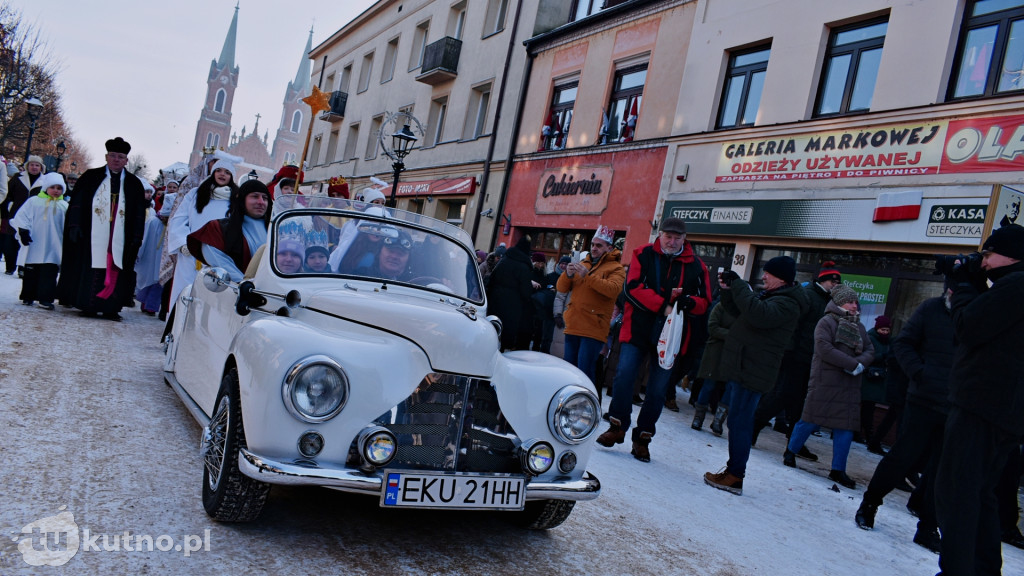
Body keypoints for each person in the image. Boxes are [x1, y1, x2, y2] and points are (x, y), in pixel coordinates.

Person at [934, 224, 1024, 575]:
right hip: (1001, 410)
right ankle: (982, 568)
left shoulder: (1016, 285)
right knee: (982, 494)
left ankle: (958, 569)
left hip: (982, 405)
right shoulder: (1010, 286)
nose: (982, 261)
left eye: (988, 254)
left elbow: (969, 327)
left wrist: (962, 285)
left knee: (957, 492)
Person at [596, 218, 712, 463]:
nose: (671, 242)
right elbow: (632, 288)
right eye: (668, 237)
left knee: (657, 390)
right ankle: (617, 425)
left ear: (684, 239)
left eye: (677, 238)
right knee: (624, 375)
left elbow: (705, 302)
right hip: (638, 329)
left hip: (670, 337)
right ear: (660, 235)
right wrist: (663, 306)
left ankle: (643, 438)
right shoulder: (642, 254)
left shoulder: (698, 266)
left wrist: (689, 303)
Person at [854, 287, 955, 553]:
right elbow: (903, 344)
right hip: (923, 400)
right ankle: (871, 502)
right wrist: (920, 374)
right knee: (902, 457)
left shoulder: (978, 312)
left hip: (958, 407)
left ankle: (928, 526)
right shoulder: (931, 309)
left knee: (943, 469)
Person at [703, 256, 808, 495]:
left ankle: (735, 475)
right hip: (746, 366)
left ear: (781, 277)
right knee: (737, 421)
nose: (763, 277)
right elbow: (742, 312)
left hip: (755, 370)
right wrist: (728, 291)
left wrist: (740, 285)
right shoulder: (776, 297)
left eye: (768, 273)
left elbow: (757, 314)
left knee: (740, 422)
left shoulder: (787, 304)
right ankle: (732, 472)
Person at [782, 284, 874, 490]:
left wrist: (861, 364)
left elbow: (869, 348)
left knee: (845, 428)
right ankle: (790, 451)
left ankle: (838, 470)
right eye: (850, 301)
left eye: (855, 302)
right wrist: (852, 364)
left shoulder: (858, 326)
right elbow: (824, 349)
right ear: (839, 302)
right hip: (825, 381)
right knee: (808, 420)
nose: (854, 305)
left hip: (849, 385)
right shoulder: (826, 322)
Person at [752, 261, 842, 457]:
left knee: (802, 403)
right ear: (823, 280)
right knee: (780, 396)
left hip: (812, 359)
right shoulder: (809, 295)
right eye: (832, 281)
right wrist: (790, 351)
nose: (835, 285)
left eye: (837, 282)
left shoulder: (829, 301)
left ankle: (795, 442)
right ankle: (753, 427)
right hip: (795, 356)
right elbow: (793, 325)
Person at [56, 137, 147, 320]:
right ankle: (87, 304)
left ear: (126, 161)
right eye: (113, 155)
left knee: (117, 268)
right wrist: (74, 226)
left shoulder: (133, 184)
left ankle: (111, 308)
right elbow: (78, 203)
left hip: (121, 235)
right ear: (106, 157)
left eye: (120, 157)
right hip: (91, 235)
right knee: (91, 267)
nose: (116, 160)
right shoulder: (91, 176)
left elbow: (138, 213)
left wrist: (137, 236)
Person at [165, 156, 237, 313]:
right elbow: (179, 219)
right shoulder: (196, 194)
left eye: (227, 172)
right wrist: (183, 242)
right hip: (191, 255)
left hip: (217, 258)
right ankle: (176, 332)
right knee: (184, 294)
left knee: (209, 302)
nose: (222, 174)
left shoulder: (236, 199)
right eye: (218, 170)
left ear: (232, 176)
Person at [557, 225, 626, 381]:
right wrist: (567, 274)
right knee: (568, 372)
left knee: (584, 373)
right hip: (574, 324)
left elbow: (613, 290)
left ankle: (585, 403)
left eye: (599, 245)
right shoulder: (584, 263)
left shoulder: (616, 268)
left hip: (593, 328)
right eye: (593, 245)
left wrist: (587, 276)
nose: (594, 248)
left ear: (609, 248)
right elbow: (561, 288)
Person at [187, 179, 271, 281]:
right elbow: (219, 261)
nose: (261, 202)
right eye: (255, 196)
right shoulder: (217, 228)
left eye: (265, 198)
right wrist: (244, 284)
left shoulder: (276, 231)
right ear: (242, 200)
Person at [10, 172, 67, 309]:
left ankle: (45, 298)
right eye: (52, 187)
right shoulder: (34, 202)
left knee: (49, 273)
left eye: (59, 188)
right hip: (35, 243)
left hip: (53, 245)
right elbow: (22, 216)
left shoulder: (64, 206)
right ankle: (28, 296)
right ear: (46, 187)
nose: (55, 190)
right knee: (31, 272)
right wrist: (23, 231)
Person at [692, 295, 738, 434]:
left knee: (729, 389)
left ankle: (718, 421)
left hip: (733, 355)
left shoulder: (745, 312)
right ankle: (698, 418)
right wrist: (733, 335)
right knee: (708, 385)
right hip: (715, 352)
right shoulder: (721, 306)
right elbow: (712, 327)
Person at [486, 234, 538, 351]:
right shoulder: (524, 266)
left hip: (495, 300)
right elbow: (525, 291)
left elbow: (492, 278)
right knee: (506, 333)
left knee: (494, 329)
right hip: (513, 304)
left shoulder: (504, 260)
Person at [2, 155, 44, 276]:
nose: (34, 167)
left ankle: (22, 267)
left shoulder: (44, 181)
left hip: (33, 216)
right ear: (27, 166)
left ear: (41, 167)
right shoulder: (17, 178)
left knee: (26, 243)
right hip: (15, 213)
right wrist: (9, 205)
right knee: (10, 242)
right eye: (32, 165)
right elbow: (7, 193)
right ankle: (10, 266)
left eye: (37, 165)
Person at [860, 315, 892, 453]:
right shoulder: (870, 338)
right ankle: (868, 436)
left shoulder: (888, 341)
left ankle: (866, 435)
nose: (885, 332)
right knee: (866, 407)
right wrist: (883, 357)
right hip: (869, 378)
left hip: (879, 378)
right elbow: (868, 356)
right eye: (883, 329)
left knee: (869, 408)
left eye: (887, 330)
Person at [135, 180, 166, 315]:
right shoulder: (153, 221)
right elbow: (145, 237)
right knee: (147, 277)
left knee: (159, 281)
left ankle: (151, 306)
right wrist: (140, 252)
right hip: (150, 255)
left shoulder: (173, 225)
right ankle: (144, 301)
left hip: (163, 259)